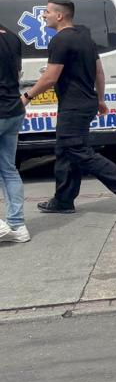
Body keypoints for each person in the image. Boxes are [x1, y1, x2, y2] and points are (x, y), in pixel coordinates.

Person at [19, 0, 116, 216]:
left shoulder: (59, 41)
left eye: (47, 12)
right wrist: (101, 99)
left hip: (73, 106)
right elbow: (99, 72)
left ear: (60, 16)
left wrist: (26, 96)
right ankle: (63, 200)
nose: (43, 16)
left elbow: (50, 78)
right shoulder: (85, 37)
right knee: (65, 151)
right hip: (86, 102)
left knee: (76, 150)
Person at [0, 22, 28, 243]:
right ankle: (17, 226)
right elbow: (17, 73)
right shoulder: (12, 37)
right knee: (8, 169)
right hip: (13, 109)